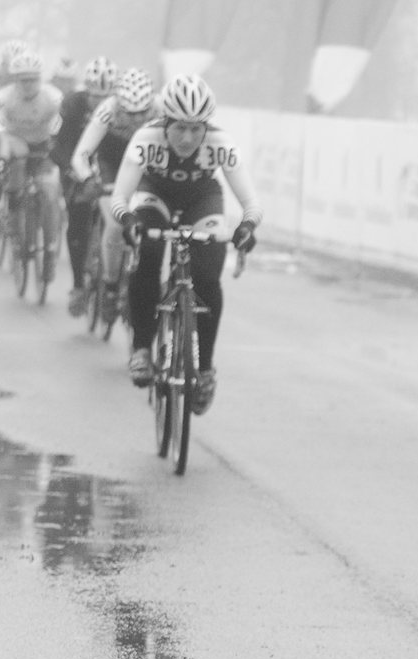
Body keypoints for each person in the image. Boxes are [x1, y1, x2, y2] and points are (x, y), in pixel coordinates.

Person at [110, 73, 261, 415]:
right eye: (179, 127)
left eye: (197, 129)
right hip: (155, 193)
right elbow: (120, 196)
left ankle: (204, 369)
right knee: (147, 254)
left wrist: (247, 227)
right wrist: (129, 220)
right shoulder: (145, 138)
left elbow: (251, 202)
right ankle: (141, 349)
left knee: (207, 278)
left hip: (201, 198)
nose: (188, 138)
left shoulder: (221, 143)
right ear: (165, 121)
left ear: (207, 126)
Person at [70, 67, 155, 322]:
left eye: (143, 113)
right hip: (111, 164)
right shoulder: (108, 110)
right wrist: (87, 178)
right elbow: (81, 154)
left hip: (145, 165)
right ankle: (108, 285)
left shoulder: (163, 109)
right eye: (131, 113)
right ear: (120, 105)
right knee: (116, 224)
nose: (138, 120)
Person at [51, 55, 118, 315]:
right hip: (74, 161)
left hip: (107, 162)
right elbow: (55, 143)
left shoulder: (121, 108)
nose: (100, 104)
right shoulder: (71, 104)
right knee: (77, 220)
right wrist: (70, 170)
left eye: (105, 98)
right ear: (85, 92)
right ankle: (79, 284)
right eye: (94, 98)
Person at [0, 49, 63, 284]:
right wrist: (1, 153)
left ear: (40, 79)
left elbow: (62, 124)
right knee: (18, 167)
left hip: (43, 145)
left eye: (33, 79)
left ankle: (50, 248)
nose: (29, 84)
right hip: (15, 141)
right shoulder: (3, 97)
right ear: (15, 80)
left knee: (50, 194)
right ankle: (13, 224)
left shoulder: (53, 97)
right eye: (24, 80)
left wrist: (57, 146)